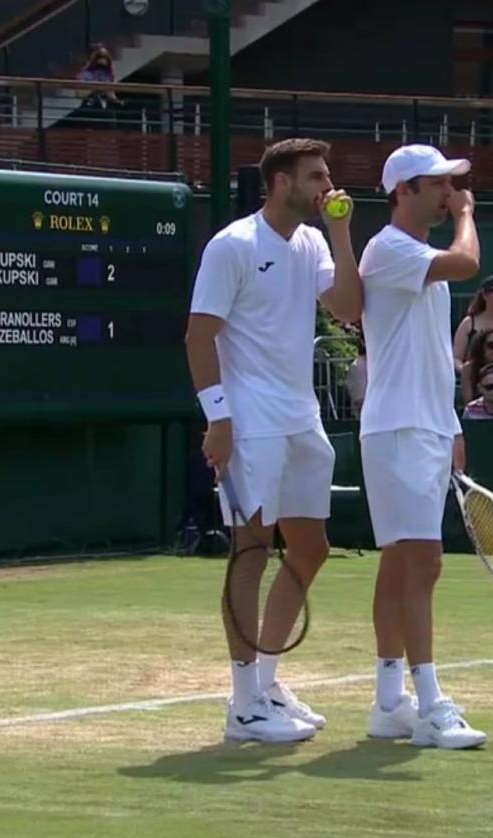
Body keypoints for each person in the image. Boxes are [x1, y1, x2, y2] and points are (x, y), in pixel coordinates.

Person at [187, 138, 363, 744]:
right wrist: (218, 418)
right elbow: (198, 336)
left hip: (301, 418)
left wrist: (341, 236)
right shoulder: (232, 245)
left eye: (327, 174)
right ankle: (242, 706)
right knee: (251, 551)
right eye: (316, 176)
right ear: (281, 183)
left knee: (309, 549)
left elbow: (348, 306)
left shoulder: (314, 241)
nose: (327, 185)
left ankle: (265, 682)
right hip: (250, 422)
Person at [358, 143, 487, 749]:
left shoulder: (416, 259)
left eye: (451, 186)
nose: (449, 192)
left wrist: (452, 424)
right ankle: (431, 704)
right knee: (422, 563)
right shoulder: (390, 249)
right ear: (405, 190)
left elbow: (430, 353)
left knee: (400, 562)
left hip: (427, 425)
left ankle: (389, 704)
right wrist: (467, 217)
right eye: (438, 184)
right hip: (399, 429)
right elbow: (467, 264)